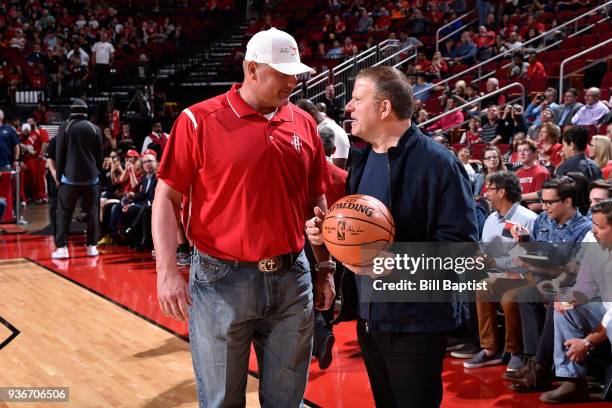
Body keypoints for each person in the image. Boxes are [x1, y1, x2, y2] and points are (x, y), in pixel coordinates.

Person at [152, 28, 334, 407]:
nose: (292, 81)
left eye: (295, 72)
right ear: (251, 70)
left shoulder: (304, 124)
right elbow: (166, 198)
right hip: (221, 280)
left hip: (292, 278)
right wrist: (168, 272)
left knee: (287, 402)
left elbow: (315, 201)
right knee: (221, 401)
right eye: (281, 73)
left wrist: (324, 268)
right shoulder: (197, 120)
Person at [306, 66, 478, 408]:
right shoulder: (363, 159)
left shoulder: (438, 164)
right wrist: (328, 235)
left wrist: (399, 263)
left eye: (357, 99)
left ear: (384, 108)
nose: (349, 108)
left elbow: (464, 249)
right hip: (371, 319)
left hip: (416, 322)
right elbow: (361, 240)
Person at [540, 199, 612, 403]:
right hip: (607, 310)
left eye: (600, 226)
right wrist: (568, 300)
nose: (594, 230)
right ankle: (573, 382)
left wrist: (587, 342)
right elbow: (586, 285)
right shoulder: (592, 239)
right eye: (593, 224)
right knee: (564, 308)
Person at [464, 171, 537, 370]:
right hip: (499, 274)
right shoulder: (490, 220)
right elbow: (485, 250)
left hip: (526, 276)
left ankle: (516, 351)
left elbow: (529, 259)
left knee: (509, 298)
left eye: (490, 189)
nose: (486, 193)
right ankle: (489, 349)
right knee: (481, 286)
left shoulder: (529, 219)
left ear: (502, 192)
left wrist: (494, 262)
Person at [53, 99, 103, 259]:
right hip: (91, 179)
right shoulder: (94, 129)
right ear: (85, 111)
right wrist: (97, 173)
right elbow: (99, 156)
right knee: (92, 213)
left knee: (64, 213)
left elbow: (60, 154)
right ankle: (91, 246)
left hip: (69, 179)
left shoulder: (65, 127)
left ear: (72, 111)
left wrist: (59, 177)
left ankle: (62, 248)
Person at [296, 99, 350, 169]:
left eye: (298, 118)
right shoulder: (313, 124)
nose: (296, 121)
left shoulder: (336, 132)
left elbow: (337, 172)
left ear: (312, 114)